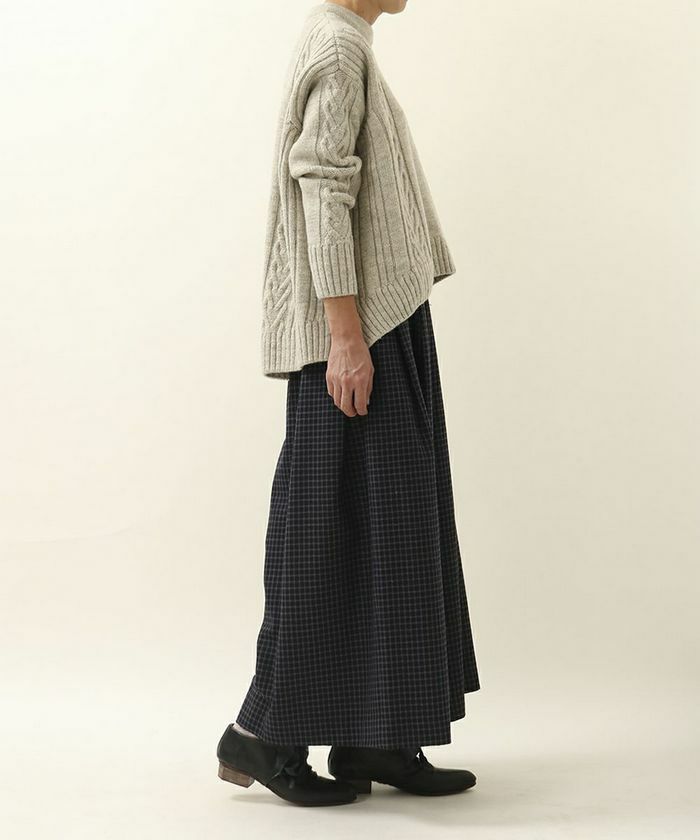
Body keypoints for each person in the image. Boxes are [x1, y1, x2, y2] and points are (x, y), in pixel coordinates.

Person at [216, 0, 480, 807]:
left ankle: (376, 737)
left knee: (391, 532)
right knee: (322, 536)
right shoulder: (336, 47)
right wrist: (344, 336)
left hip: (377, 322)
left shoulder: (346, 41)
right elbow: (323, 191)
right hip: (356, 331)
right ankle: (262, 735)